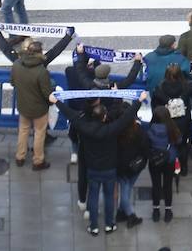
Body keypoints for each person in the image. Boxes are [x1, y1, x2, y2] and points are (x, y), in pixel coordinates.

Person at [52, 90, 143, 236]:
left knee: (93, 197)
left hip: (92, 168)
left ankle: (93, 226)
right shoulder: (111, 129)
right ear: (104, 116)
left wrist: (57, 101)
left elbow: (71, 114)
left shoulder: (84, 127)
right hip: (109, 169)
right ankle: (109, 224)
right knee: (108, 197)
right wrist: (138, 101)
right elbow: (126, 118)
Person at [3, 31, 74, 170]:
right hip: (39, 109)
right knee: (39, 134)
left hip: (23, 106)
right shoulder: (41, 71)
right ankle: (38, 160)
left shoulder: (17, 64)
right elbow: (46, 93)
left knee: (23, 131)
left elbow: (13, 82)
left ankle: (20, 157)